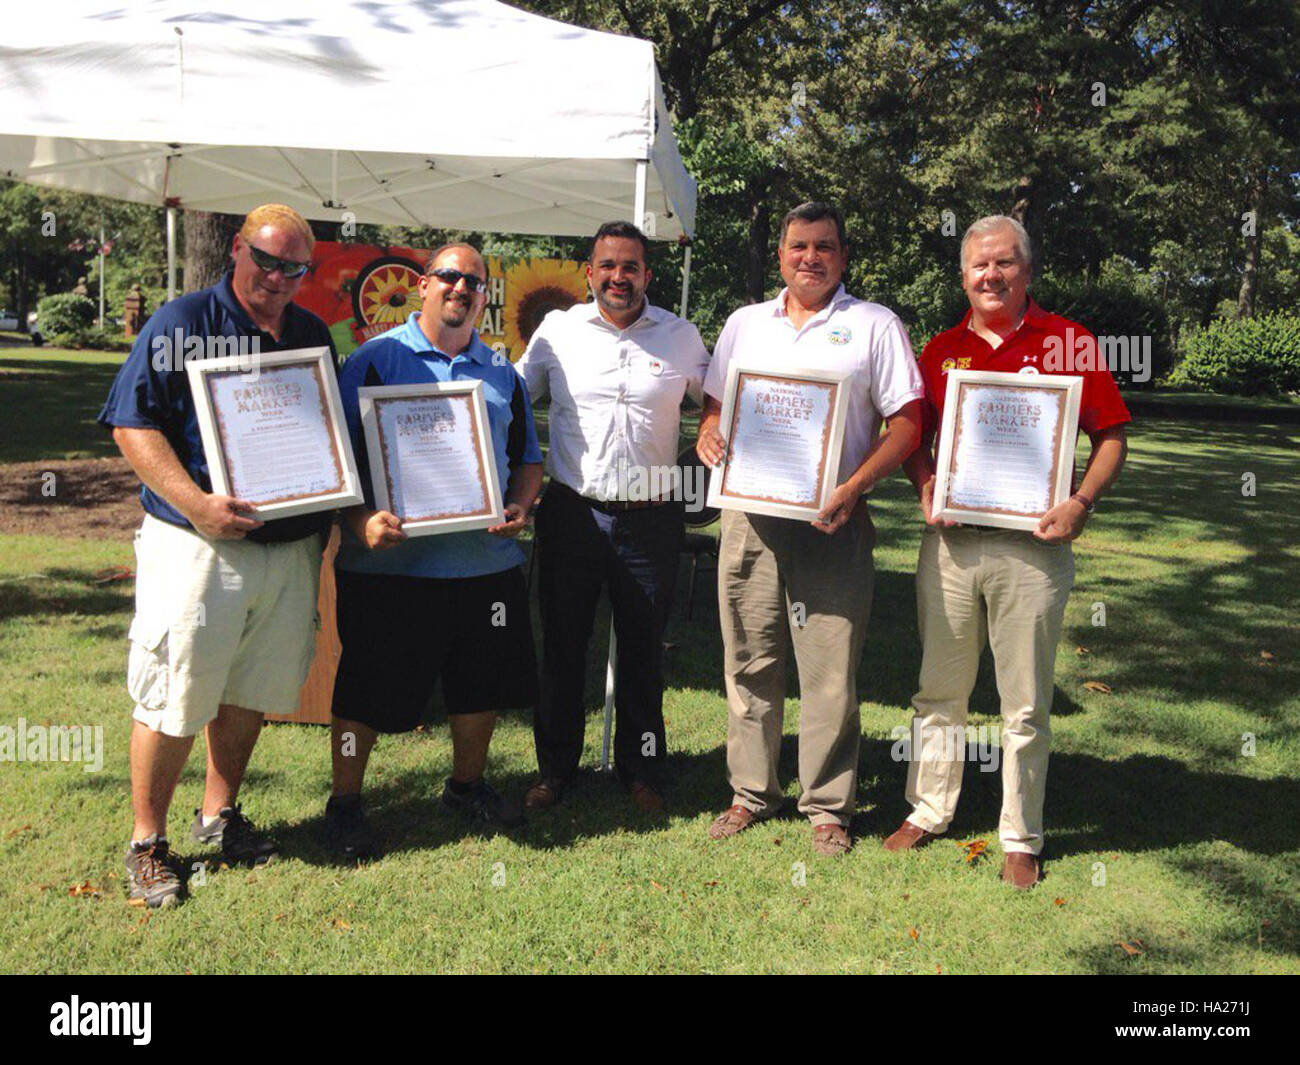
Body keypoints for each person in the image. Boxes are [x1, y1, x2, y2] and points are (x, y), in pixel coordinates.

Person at [884, 215, 1129, 889]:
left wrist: (1079, 503)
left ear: (1027, 270)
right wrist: (927, 482)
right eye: (978, 266)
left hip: (1034, 551)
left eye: (1005, 263)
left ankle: (1021, 834)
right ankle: (929, 809)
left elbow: (1111, 435)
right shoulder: (941, 349)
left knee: (1024, 702)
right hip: (953, 547)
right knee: (940, 687)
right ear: (963, 275)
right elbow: (913, 437)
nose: (991, 275)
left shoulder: (1068, 342)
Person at [99, 203, 333, 908]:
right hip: (196, 543)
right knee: (175, 694)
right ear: (237, 249)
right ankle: (147, 842)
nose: (278, 276)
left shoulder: (311, 333)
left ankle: (218, 815)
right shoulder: (181, 323)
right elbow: (131, 422)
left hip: (285, 548)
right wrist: (197, 502)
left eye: (295, 268)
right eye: (266, 259)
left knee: (251, 690)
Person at [696, 201, 924, 855]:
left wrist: (855, 486)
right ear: (781, 255)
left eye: (824, 246)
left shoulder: (874, 325)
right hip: (750, 517)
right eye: (798, 246)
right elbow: (716, 408)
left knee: (829, 669)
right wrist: (710, 432)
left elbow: (906, 422)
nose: (810, 257)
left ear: (843, 256)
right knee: (748, 658)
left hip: (835, 518)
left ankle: (826, 804)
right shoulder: (744, 324)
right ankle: (749, 791)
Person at [325, 242, 543, 861]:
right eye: (449, 276)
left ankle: (465, 788)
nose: (461, 288)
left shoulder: (503, 372)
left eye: (473, 282)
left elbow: (528, 460)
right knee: (364, 690)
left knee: (481, 686)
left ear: (482, 296)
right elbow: (333, 457)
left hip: (485, 565)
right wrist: (361, 519)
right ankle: (344, 805)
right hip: (389, 567)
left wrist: (522, 507)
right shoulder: (373, 361)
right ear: (422, 285)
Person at [515, 221, 710, 813]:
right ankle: (554, 772)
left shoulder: (682, 338)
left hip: (651, 521)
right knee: (563, 650)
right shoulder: (557, 331)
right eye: (607, 266)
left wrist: (718, 427)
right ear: (589, 272)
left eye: (630, 267)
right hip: (573, 514)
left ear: (648, 275)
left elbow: (721, 406)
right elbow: (516, 403)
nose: (618, 277)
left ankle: (643, 770)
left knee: (645, 653)